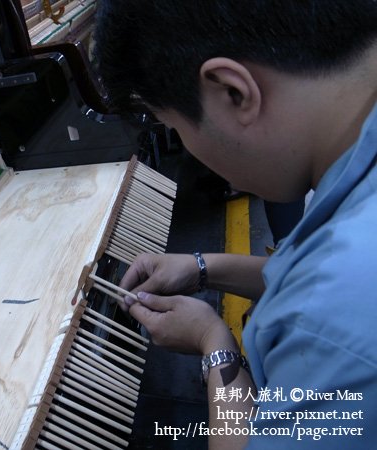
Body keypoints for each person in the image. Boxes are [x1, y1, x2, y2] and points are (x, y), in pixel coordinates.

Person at [95, 1, 377, 449]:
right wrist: (203, 267)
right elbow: (307, 277)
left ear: (232, 92)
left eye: (174, 126)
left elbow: (325, 300)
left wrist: (214, 343)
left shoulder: (327, 316)